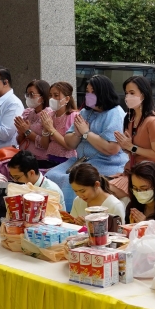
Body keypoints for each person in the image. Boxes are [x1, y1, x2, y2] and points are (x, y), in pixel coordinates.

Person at [45, 75, 127, 211]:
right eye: (87, 91)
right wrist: (78, 133)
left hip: (105, 163)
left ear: (103, 92)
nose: (88, 95)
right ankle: (53, 213)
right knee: (51, 175)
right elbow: (70, 143)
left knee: (70, 181)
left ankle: (70, 217)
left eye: (92, 92)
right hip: (80, 161)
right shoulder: (85, 112)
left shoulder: (115, 113)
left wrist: (86, 133)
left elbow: (112, 148)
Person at [109, 76, 155, 198]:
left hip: (149, 173)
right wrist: (125, 146)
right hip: (132, 170)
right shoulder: (130, 119)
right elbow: (132, 150)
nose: (128, 97)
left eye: (132, 93)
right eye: (126, 93)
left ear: (143, 95)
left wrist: (132, 147)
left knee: (107, 192)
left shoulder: (152, 121)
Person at [14, 79, 55, 168]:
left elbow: (46, 144)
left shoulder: (49, 114)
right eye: (27, 94)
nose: (28, 97)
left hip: (41, 160)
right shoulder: (28, 113)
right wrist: (21, 134)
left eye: (32, 94)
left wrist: (27, 131)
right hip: (24, 157)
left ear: (43, 97)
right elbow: (20, 141)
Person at [37, 81, 78, 166]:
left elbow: (69, 146)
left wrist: (51, 129)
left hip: (67, 161)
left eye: (56, 95)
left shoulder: (73, 116)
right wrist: (46, 128)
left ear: (67, 99)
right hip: (51, 158)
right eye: (50, 95)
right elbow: (45, 145)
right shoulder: (50, 114)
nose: (52, 99)